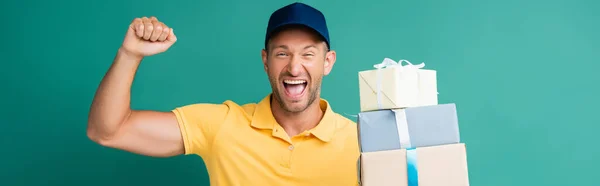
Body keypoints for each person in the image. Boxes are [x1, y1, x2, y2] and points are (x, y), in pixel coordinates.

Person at [87, 2, 359, 186]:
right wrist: (129, 55)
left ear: (328, 62)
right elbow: (108, 131)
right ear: (266, 61)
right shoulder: (222, 125)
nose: (294, 66)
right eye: (282, 53)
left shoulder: (362, 144)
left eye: (308, 54)